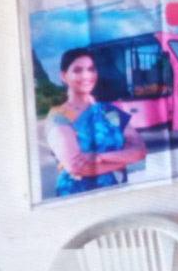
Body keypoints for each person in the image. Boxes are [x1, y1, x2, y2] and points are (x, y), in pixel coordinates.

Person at [45, 48, 146, 196]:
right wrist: (126, 158)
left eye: (91, 69)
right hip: (77, 195)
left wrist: (100, 157)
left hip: (116, 191)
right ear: (64, 76)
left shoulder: (110, 110)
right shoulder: (59, 116)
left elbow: (140, 150)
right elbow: (77, 167)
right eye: (77, 70)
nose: (86, 75)